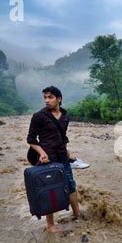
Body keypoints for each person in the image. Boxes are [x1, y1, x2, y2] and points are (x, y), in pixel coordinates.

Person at [27, 86, 81, 233]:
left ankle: (77, 215)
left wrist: (68, 153)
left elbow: (62, 138)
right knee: (49, 188)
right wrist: (41, 152)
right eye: (45, 97)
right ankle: (50, 224)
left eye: (50, 97)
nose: (47, 100)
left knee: (70, 185)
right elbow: (31, 139)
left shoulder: (65, 116)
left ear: (59, 99)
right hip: (47, 158)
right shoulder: (39, 116)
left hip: (62, 156)